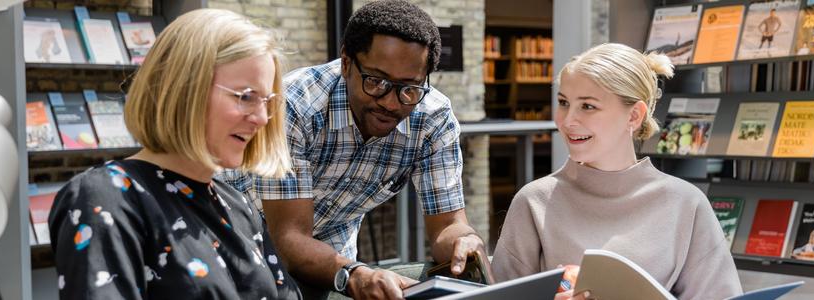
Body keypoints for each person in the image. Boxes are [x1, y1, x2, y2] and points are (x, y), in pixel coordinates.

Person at [219, 1, 485, 299]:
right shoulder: (294, 105)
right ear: (347, 63)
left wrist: (466, 241)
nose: (391, 102)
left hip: (333, 255)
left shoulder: (433, 119)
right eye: (376, 81)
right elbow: (290, 238)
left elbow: (447, 225)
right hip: (237, 240)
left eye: (409, 88)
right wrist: (355, 274)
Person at [48, 9, 300, 299]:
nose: (261, 118)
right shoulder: (107, 197)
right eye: (245, 96)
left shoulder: (237, 205)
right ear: (186, 88)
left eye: (267, 101)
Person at [490, 43, 742, 300]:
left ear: (634, 116)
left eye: (588, 106)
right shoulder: (533, 202)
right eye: (564, 102)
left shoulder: (687, 204)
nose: (567, 121)